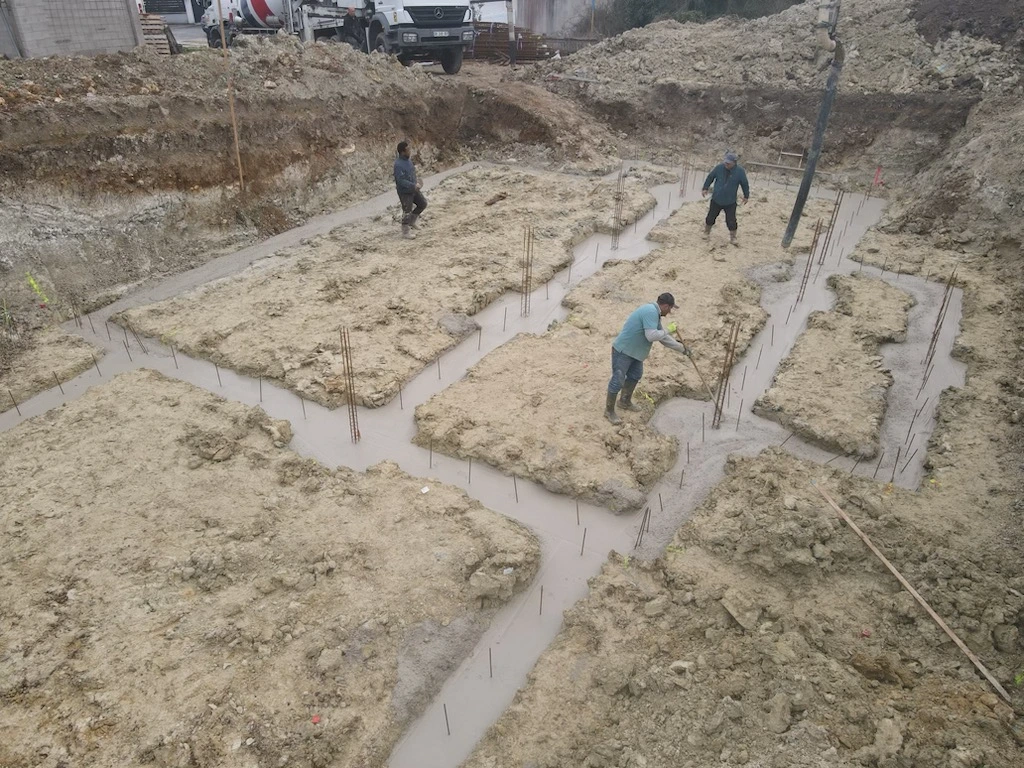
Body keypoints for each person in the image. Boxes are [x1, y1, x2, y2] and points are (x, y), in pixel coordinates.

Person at [605, 293, 691, 424]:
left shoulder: (655, 314)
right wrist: (669, 330)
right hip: (623, 351)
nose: (669, 313)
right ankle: (609, 411)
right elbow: (652, 336)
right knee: (618, 380)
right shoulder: (650, 311)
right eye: (670, 309)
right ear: (665, 306)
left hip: (635, 353)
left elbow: (662, 337)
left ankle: (624, 401)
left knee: (635, 375)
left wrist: (682, 349)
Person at [702, 151, 750, 246]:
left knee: (731, 220)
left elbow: (744, 184)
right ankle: (706, 232)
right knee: (710, 217)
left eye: (729, 163)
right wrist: (705, 188)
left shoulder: (740, 172)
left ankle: (733, 237)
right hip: (716, 199)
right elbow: (710, 177)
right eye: (725, 162)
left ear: (734, 162)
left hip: (730, 202)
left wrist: (746, 196)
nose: (726, 164)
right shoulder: (719, 168)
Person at [393, 140, 427, 240]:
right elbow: (400, 180)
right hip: (405, 192)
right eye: (408, 149)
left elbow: (411, 174)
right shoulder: (398, 165)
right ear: (403, 152)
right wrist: (413, 185)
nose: (410, 151)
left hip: (413, 189)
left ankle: (412, 221)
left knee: (422, 203)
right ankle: (405, 231)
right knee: (407, 211)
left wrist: (417, 181)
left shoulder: (408, 161)